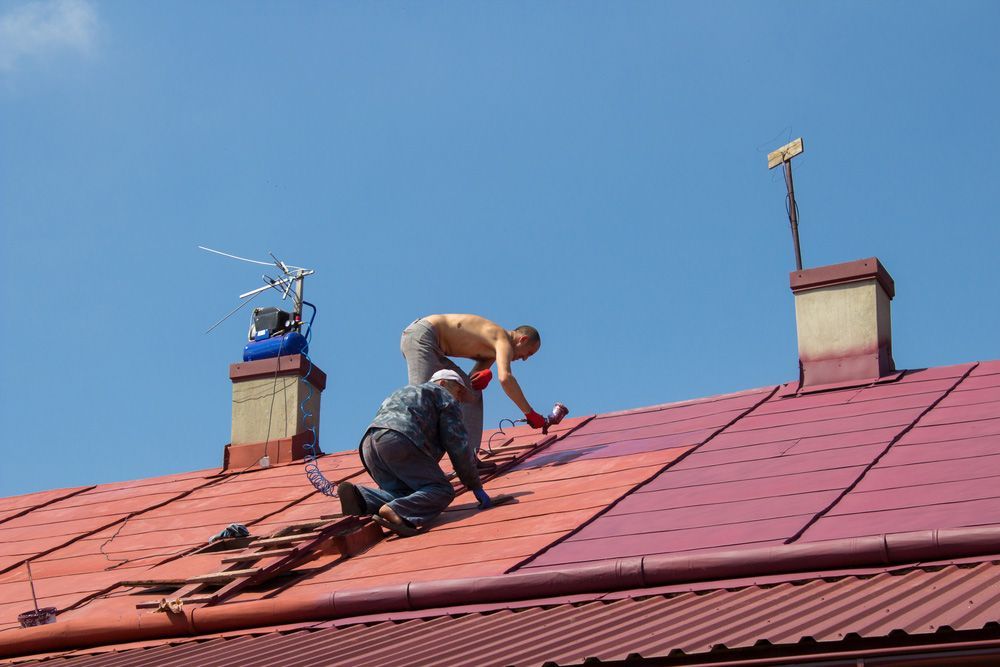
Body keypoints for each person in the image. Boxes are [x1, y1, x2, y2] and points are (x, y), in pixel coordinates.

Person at [337, 369, 502, 537]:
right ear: (443, 383)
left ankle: (362, 498)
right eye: (459, 391)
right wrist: (475, 485)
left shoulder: (406, 391)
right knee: (442, 490)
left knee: (408, 493)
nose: (459, 399)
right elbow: (457, 444)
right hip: (399, 439)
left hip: (369, 444)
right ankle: (397, 510)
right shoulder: (443, 395)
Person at [400, 314, 544, 464]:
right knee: (423, 400)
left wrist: (480, 379)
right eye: (529, 353)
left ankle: (468, 460)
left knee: (471, 395)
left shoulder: (493, 349)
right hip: (422, 336)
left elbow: (471, 384)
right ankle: (408, 460)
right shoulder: (503, 340)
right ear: (523, 340)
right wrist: (530, 413)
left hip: (430, 343)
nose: (525, 358)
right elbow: (506, 378)